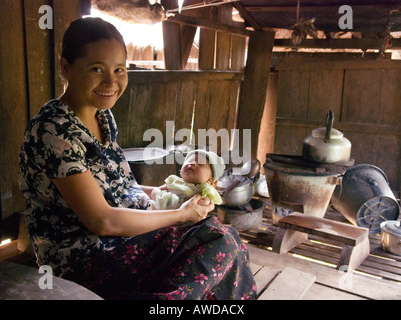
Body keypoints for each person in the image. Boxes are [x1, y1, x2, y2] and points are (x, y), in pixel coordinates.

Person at [18, 17, 257, 300]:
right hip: (85, 258)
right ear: (66, 67)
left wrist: (158, 192)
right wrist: (180, 215)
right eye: (97, 69)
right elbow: (102, 220)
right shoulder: (54, 131)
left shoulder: (101, 116)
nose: (111, 81)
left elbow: (113, 184)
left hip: (122, 237)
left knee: (223, 237)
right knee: (217, 242)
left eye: (119, 69)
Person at [150, 149, 225, 210]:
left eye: (200, 164)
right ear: (180, 171)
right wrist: (157, 193)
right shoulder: (174, 181)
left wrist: (157, 194)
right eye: (189, 161)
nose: (192, 163)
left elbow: (203, 204)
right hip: (156, 211)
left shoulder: (204, 189)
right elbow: (156, 190)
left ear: (210, 180)